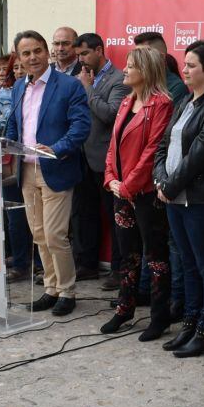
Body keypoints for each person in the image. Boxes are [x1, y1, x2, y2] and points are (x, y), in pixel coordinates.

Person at [4, 30, 91, 316]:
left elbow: (80, 127)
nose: (33, 57)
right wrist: (7, 143)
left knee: (55, 234)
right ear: (19, 57)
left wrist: (54, 148)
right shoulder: (19, 88)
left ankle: (67, 291)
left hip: (55, 167)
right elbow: (15, 126)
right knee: (38, 233)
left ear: (47, 52)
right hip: (26, 169)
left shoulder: (69, 86)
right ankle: (50, 288)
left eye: (38, 51)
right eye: (26, 53)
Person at [154, 40, 204, 357]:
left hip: (197, 200)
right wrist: (160, 178)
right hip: (173, 197)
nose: (184, 70)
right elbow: (164, 145)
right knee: (186, 265)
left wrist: (169, 186)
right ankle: (189, 324)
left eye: (192, 65)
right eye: (184, 65)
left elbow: (200, 154)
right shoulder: (184, 101)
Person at [99, 46, 174, 339]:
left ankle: (159, 316)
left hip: (144, 193)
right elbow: (112, 146)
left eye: (131, 66)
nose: (125, 70)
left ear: (146, 72)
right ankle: (124, 308)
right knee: (127, 254)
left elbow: (153, 150)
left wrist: (128, 184)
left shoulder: (161, 104)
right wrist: (111, 179)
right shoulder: (126, 102)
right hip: (121, 191)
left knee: (155, 256)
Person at [73, 32, 130, 285]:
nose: (81, 60)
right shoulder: (81, 77)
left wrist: (88, 90)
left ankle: (118, 270)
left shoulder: (118, 79)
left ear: (99, 50)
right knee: (84, 213)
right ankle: (87, 264)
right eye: (78, 55)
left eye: (84, 54)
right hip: (82, 155)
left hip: (106, 159)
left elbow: (111, 114)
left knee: (114, 215)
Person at [0, 57, 33, 283]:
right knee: (14, 215)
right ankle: (20, 262)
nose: (19, 70)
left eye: (22, 66)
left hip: (34, 160)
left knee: (36, 218)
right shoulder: (4, 94)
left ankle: (40, 264)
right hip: (9, 161)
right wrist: (10, 123)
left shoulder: (39, 93)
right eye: (15, 67)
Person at [133, 32, 187, 103]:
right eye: (136, 55)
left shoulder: (176, 88)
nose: (137, 60)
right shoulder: (137, 82)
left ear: (161, 57)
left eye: (143, 55)